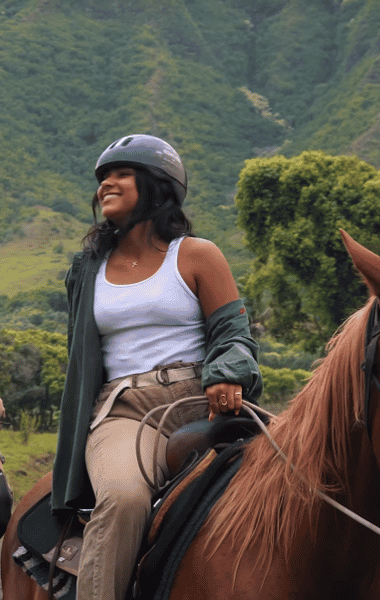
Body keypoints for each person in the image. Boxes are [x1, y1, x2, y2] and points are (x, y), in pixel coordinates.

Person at [50, 134, 263, 600]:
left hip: (203, 399)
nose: (107, 182)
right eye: (103, 177)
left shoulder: (197, 255)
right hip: (127, 412)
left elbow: (234, 334)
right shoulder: (87, 269)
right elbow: (82, 360)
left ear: (157, 186)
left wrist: (227, 372)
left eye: (121, 173)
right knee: (124, 499)